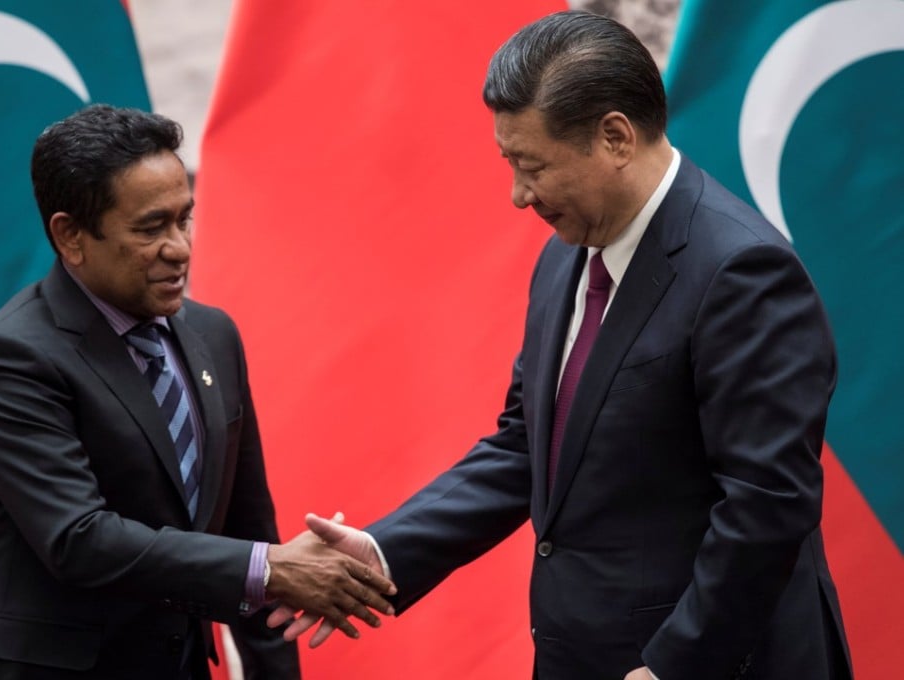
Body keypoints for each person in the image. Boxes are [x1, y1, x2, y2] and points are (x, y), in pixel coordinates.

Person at [271, 10, 852, 680]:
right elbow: (529, 445)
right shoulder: (566, 257)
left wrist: (673, 666)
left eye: (533, 166)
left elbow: (765, 507)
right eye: (508, 163)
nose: (519, 195)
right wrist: (384, 551)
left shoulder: (742, 273)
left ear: (614, 138)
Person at [0, 104, 395, 680]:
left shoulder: (213, 334)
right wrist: (271, 569)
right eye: (151, 228)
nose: (179, 248)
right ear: (71, 236)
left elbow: (246, 527)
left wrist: (272, 663)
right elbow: (79, 539)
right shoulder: (12, 358)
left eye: (185, 219)